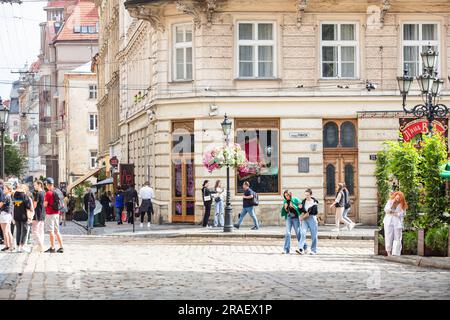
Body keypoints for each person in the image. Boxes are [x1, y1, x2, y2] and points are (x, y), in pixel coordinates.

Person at [43, 178, 64, 253]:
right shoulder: (57, 191)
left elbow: (45, 204)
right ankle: (61, 247)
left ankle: (52, 247)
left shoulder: (48, 193)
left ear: (47, 184)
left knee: (51, 231)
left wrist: (45, 204)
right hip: (57, 213)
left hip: (50, 214)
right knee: (57, 231)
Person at [383, 191, 407, 256]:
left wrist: (396, 214)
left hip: (397, 222)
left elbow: (403, 213)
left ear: (401, 199)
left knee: (398, 237)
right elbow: (386, 210)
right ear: (395, 197)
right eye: (397, 198)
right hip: (388, 221)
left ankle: (396, 253)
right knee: (388, 236)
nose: (397, 199)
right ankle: (389, 252)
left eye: (399, 199)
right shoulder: (390, 201)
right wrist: (392, 206)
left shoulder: (402, 204)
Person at [280, 190, 304, 255]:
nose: (286, 197)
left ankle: (303, 247)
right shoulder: (285, 201)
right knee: (287, 233)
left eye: (287, 195)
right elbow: (286, 210)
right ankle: (286, 249)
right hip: (288, 217)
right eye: (285, 196)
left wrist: (294, 206)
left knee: (298, 232)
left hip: (295, 218)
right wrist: (285, 208)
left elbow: (301, 206)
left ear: (290, 194)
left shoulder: (295, 199)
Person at [12, 184, 33, 253]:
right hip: (23, 216)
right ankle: (22, 246)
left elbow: (13, 205)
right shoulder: (25, 196)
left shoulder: (15, 195)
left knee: (18, 231)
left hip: (16, 215)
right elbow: (28, 206)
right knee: (24, 231)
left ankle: (18, 247)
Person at [300, 188, 319, 255]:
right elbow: (302, 210)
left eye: (307, 195)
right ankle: (301, 249)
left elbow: (313, 212)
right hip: (305, 220)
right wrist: (300, 208)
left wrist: (303, 217)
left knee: (314, 235)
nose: (306, 196)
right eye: (305, 195)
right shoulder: (303, 201)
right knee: (303, 233)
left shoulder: (314, 202)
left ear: (311, 195)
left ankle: (313, 250)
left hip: (312, 219)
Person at [32, 181, 46, 252]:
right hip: (43, 213)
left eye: (35, 185)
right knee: (41, 231)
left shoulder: (38, 193)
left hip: (37, 213)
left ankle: (41, 245)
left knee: (35, 230)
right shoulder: (44, 192)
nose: (34, 186)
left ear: (39, 185)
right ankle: (40, 246)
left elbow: (34, 205)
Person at [0, 184, 14, 251]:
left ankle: (8, 246)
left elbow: (0, 205)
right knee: (8, 231)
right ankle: (10, 246)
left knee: (5, 231)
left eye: (5, 189)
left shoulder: (6, 197)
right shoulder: (9, 196)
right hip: (7, 215)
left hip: (4, 215)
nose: (3, 190)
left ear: (9, 190)